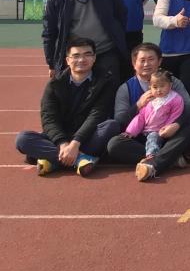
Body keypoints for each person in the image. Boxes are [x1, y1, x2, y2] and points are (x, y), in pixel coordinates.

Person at [17, 37, 118, 176]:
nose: (81, 60)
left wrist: (76, 143)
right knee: (23, 139)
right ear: (68, 60)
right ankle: (81, 159)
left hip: (86, 137)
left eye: (87, 54)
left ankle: (53, 160)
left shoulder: (105, 82)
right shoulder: (54, 84)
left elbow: (97, 115)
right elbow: (49, 118)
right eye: (76, 56)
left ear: (94, 58)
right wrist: (63, 144)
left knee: (111, 126)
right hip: (60, 137)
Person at [105, 42, 190, 182]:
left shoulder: (172, 82)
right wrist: (138, 105)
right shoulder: (126, 88)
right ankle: (168, 159)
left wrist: (176, 125)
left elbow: (189, 108)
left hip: (168, 133)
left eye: (151, 59)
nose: (146, 64)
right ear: (134, 63)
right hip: (141, 137)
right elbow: (120, 120)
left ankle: (155, 162)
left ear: (159, 62)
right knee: (114, 144)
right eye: (142, 60)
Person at [43, 0, 128, 82]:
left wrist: (117, 34)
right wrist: (51, 63)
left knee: (109, 88)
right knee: (78, 90)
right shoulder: (56, 0)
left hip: (106, 51)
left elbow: (121, 14)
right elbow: (49, 33)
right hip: (77, 56)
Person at [122, 69, 184, 175]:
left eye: (162, 86)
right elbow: (141, 117)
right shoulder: (149, 100)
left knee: (153, 138)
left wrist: (166, 128)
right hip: (145, 131)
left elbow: (175, 115)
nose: (158, 90)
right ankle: (172, 159)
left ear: (170, 85)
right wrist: (130, 132)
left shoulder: (175, 99)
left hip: (160, 132)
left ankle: (151, 158)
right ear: (150, 87)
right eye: (155, 87)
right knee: (121, 142)